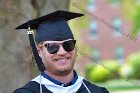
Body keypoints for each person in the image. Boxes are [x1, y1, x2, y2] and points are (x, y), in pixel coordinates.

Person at [13, 10, 109, 93]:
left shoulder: (95, 91)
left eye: (68, 45)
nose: (62, 52)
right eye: (52, 47)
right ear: (39, 52)